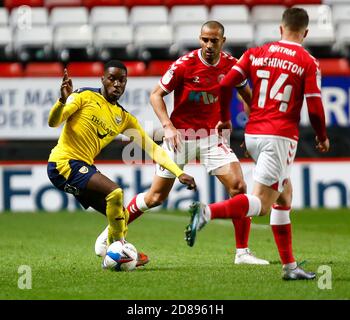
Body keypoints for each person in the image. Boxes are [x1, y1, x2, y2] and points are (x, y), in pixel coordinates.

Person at [96, 21, 269, 265]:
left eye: (214, 41)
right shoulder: (184, 65)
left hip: (212, 137)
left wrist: (253, 127)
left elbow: (248, 97)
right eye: (205, 40)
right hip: (180, 136)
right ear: (200, 39)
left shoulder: (232, 65)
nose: (209, 45)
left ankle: (242, 252)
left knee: (238, 186)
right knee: (155, 197)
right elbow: (156, 94)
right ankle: (110, 233)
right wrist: (167, 126)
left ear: (223, 41)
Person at [186, 8, 330, 280]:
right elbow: (314, 106)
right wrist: (321, 136)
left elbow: (225, 84)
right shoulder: (308, 61)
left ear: (280, 28)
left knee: (284, 196)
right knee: (262, 205)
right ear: (306, 33)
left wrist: (226, 119)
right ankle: (207, 212)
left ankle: (290, 267)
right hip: (280, 136)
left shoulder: (256, 52)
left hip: (253, 133)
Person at [47, 60, 197, 268]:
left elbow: (153, 149)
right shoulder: (83, 96)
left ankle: (110, 251)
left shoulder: (123, 118)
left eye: (122, 80)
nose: (117, 84)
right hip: (63, 163)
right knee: (115, 192)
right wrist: (61, 102)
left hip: (81, 167)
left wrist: (178, 172)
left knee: (121, 215)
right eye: (112, 79)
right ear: (102, 80)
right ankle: (119, 248)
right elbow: (54, 122)